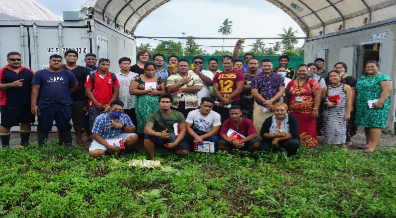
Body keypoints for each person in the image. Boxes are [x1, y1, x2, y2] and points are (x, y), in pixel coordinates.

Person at [31, 54, 78, 147]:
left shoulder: (67, 73)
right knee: (43, 127)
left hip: (64, 104)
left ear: (62, 62)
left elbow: (75, 86)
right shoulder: (40, 73)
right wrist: (33, 104)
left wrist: (64, 94)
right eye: (54, 60)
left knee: (65, 126)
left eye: (59, 61)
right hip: (45, 104)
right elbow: (35, 89)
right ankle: (42, 148)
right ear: (49, 62)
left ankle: (68, 148)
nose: (56, 62)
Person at [355, 60, 392, 152]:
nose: (369, 68)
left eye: (372, 66)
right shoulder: (362, 77)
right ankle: (368, 143)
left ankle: (373, 146)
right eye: (367, 67)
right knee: (366, 124)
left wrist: (380, 102)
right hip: (363, 105)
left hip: (376, 104)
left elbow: (387, 90)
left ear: (377, 67)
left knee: (374, 124)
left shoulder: (382, 77)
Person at [0, 52, 35, 148]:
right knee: (6, 125)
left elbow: (34, 87)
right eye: (13, 59)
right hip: (8, 103)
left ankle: (24, 144)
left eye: (18, 59)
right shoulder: (2, 71)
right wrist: (11, 85)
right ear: (8, 60)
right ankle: (5, 146)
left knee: (26, 122)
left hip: (26, 103)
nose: (16, 61)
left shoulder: (29, 72)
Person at [284, 64, 321, 149]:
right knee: (296, 129)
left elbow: (317, 97)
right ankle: (297, 146)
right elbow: (287, 96)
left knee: (309, 130)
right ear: (297, 71)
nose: (302, 72)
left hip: (308, 112)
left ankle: (310, 147)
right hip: (294, 113)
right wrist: (286, 108)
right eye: (300, 71)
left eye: (304, 71)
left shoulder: (313, 82)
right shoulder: (291, 82)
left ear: (308, 71)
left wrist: (315, 109)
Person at [144, 94, 190, 160]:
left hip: (174, 137)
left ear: (171, 104)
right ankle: (152, 157)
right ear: (159, 103)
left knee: (184, 152)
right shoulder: (153, 115)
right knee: (147, 137)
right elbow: (147, 129)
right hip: (160, 136)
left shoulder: (178, 114)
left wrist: (174, 143)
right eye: (163, 102)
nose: (165, 104)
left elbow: (183, 130)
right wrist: (159, 134)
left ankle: (168, 150)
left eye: (167, 102)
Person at [60, 49, 90, 146]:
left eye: (74, 56)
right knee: (62, 120)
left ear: (77, 58)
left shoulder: (84, 70)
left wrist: (87, 99)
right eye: (69, 56)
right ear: (65, 57)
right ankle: (60, 140)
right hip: (62, 100)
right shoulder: (60, 68)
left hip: (79, 99)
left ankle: (78, 138)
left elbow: (88, 86)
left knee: (78, 121)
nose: (71, 57)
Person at [251, 58, 285, 140]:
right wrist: (265, 102)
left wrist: (271, 101)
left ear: (272, 66)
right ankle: (259, 143)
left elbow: (282, 90)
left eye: (269, 65)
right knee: (258, 124)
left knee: (275, 124)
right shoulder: (256, 78)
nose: (267, 67)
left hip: (275, 106)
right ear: (261, 66)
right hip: (260, 105)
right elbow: (254, 92)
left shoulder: (278, 77)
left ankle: (275, 141)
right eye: (264, 66)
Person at [129, 62, 166, 136]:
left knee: (156, 120)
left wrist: (157, 92)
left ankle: (155, 138)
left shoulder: (159, 79)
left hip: (156, 105)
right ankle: (142, 141)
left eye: (153, 70)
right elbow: (132, 91)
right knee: (143, 121)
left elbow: (164, 92)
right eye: (148, 70)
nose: (151, 72)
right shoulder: (137, 78)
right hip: (142, 105)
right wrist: (146, 91)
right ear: (144, 70)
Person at [84, 58, 120, 134]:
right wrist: (96, 103)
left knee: (109, 122)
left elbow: (116, 91)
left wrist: (110, 104)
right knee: (94, 123)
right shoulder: (91, 76)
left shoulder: (113, 76)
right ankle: (94, 141)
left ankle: (108, 140)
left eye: (107, 64)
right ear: (98, 65)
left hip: (109, 105)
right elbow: (88, 91)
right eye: (103, 64)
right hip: (94, 105)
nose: (105, 66)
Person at [322, 70, 352, 149]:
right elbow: (323, 100)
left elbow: (349, 101)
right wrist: (327, 103)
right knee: (329, 130)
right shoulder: (326, 88)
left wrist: (348, 113)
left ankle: (342, 145)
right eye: (330, 76)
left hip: (341, 112)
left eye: (334, 75)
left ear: (340, 76)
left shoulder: (346, 87)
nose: (332, 78)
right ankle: (330, 146)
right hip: (328, 113)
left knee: (340, 130)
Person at [213, 56, 245, 123]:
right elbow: (215, 89)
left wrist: (227, 99)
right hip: (221, 102)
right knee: (221, 120)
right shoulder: (217, 75)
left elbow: (239, 88)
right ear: (222, 63)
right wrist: (222, 99)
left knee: (235, 120)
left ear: (232, 63)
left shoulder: (238, 74)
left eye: (228, 63)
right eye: (225, 63)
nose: (226, 65)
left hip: (234, 102)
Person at [333, 62, 357, 146]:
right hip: (334, 104)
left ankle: (348, 139)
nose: (338, 69)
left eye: (340, 68)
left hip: (346, 103)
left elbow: (353, 91)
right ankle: (334, 139)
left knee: (347, 122)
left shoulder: (350, 79)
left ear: (345, 69)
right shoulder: (332, 77)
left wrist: (351, 105)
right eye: (336, 67)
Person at [116, 57, 138, 128]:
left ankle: (135, 137)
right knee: (122, 121)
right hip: (122, 103)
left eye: (128, 64)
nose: (126, 65)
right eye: (124, 63)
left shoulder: (136, 75)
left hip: (134, 103)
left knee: (134, 121)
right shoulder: (116, 76)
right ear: (119, 65)